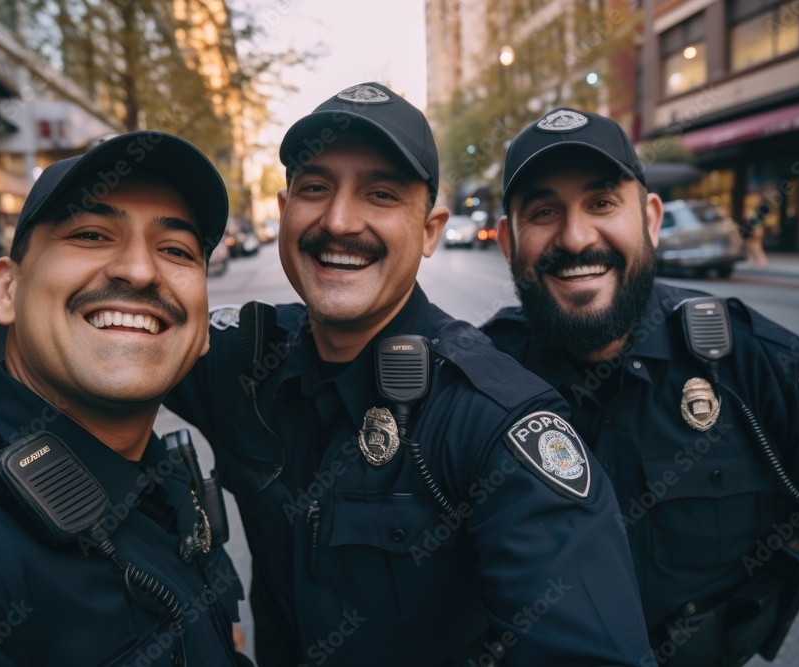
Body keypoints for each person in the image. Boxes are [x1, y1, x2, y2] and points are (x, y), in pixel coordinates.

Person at [165, 83, 651, 666]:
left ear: (429, 231)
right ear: (284, 210)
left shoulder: (493, 420)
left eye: (381, 193)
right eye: (316, 187)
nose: (339, 221)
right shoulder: (241, 361)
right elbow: (78, 347)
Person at [482, 108, 799, 666]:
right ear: (509, 241)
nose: (575, 238)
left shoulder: (750, 362)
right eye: (544, 211)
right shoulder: (479, 385)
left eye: (602, 203)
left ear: (650, 219)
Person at [0, 131, 251, 666]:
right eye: (90, 234)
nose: (139, 270)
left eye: (175, 250)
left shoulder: (173, 485)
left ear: (200, 332)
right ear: (5, 291)